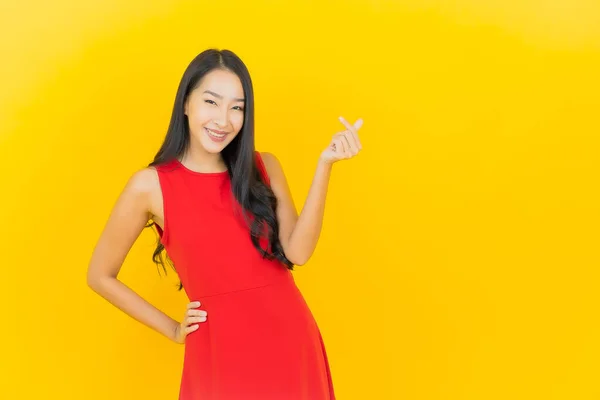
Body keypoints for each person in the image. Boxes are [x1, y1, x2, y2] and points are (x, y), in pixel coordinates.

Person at [86, 48, 363, 400]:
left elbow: (299, 251)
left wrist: (325, 165)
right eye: (212, 102)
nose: (224, 119)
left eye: (237, 107)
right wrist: (172, 329)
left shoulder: (264, 166)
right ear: (185, 103)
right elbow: (99, 275)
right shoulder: (149, 186)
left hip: (291, 343)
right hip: (218, 353)